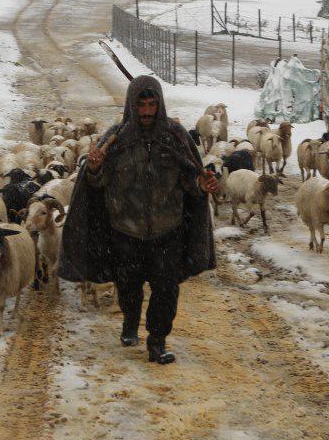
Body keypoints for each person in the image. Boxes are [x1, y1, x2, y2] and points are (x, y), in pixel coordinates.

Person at [59, 75, 216, 364]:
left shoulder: (176, 137)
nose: (146, 112)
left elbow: (190, 178)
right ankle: (130, 320)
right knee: (129, 288)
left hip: (167, 230)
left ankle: (157, 341)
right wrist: (93, 169)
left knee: (166, 291)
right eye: (141, 105)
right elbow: (97, 183)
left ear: (160, 104)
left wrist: (200, 186)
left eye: (152, 105)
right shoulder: (115, 139)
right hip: (125, 232)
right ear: (132, 105)